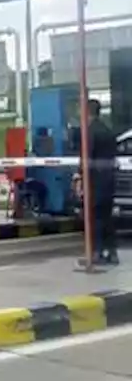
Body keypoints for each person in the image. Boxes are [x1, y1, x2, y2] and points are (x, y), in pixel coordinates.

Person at [79, 99, 119, 266]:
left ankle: (96, 253)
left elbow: (87, 157)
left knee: (94, 217)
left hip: (95, 180)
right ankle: (112, 252)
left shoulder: (90, 132)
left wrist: (79, 176)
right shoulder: (107, 130)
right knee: (106, 217)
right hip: (109, 179)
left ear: (87, 111)